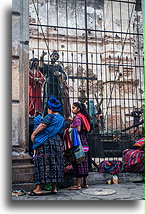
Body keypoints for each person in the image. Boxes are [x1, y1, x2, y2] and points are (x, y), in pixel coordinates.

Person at [28, 96, 65, 196]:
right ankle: (54, 188)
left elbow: (43, 125)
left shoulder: (50, 116)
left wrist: (34, 134)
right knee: (55, 164)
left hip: (46, 143)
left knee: (43, 164)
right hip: (57, 143)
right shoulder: (61, 118)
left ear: (50, 109)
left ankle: (39, 188)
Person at [39, 50, 71, 118]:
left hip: (56, 85)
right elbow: (41, 67)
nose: (54, 57)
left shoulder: (58, 67)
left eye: (56, 57)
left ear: (57, 59)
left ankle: (59, 115)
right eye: (53, 56)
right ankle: (45, 115)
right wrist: (42, 57)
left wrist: (60, 74)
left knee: (58, 99)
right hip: (48, 84)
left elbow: (65, 76)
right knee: (47, 100)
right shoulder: (46, 66)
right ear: (50, 57)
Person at [67, 102, 91, 190]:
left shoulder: (77, 117)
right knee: (85, 162)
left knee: (78, 162)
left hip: (79, 142)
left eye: (73, 108)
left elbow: (77, 129)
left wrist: (70, 128)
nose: (72, 109)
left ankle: (77, 185)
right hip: (85, 143)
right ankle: (85, 183)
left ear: (78, 109)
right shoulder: (84, 117)